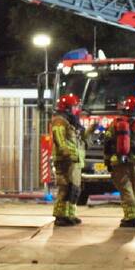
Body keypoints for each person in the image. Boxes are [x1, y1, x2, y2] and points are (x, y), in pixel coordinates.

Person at [103, 95, 135, 228]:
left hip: (119, 162)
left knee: (125, 189)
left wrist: (107, 160)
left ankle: (130, 217)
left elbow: (107, 143)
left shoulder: (115, 124)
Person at [50, 93, 85, 226]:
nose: (77, 109)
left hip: (73, 159)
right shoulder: (59, 120)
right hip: (65, 160)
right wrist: (65, 152)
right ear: (68, 108)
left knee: (74, 189)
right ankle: (60, 216)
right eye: (75, 106)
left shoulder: (70, 121)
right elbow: (59, 139)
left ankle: (70, 214)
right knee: (65, 188)